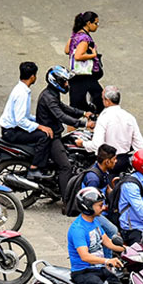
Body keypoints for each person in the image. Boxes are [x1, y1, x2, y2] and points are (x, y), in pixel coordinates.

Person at [36, 66, 92, 197]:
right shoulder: (48, 97)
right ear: (56, 81)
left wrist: (84, 113)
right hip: (51, 137)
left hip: (55, 133)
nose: (66, 84)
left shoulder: (52, 94)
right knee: (65, 166)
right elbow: (61, 116)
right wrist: (84, 123)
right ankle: (66, 200)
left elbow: (64, 108)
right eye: (64, 81)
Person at [0, 62, 54, 179]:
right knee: (44, 136)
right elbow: (21, 120)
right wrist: (41, 127)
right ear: (33, 76)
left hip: (13, 128)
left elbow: (26, 116)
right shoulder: (22, 94)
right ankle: (34, 168)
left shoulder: (21, 89)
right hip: (12, 132)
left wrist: (39, 120)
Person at [75, 85, 143, 176]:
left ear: (107, 101)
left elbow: (97, 145)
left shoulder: (104, 118)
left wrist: (82, 143)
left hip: (108, 164)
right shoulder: (129, 117)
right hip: (124, 161)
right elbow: (140, 145)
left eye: (102, 99)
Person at [80, 144, 121, 245]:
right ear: (107, 161)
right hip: (93, 212)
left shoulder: (103, 172)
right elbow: (92, 203)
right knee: (112, 231)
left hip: (100, 208)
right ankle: (107, 258)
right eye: (114, 159)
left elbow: (107, 188)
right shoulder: (93, 179)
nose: (116, 161)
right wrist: (105, 208)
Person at [66, 11, 104, 114]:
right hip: (84, 75)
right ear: (88, 23)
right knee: (99, 100)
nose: (97, 26)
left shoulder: (75, 35)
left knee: (75, 107)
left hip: (75, 75)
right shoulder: (84, 38)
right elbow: (78, 56)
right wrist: (93, 55)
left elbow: (67, 50)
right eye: (96, 23)